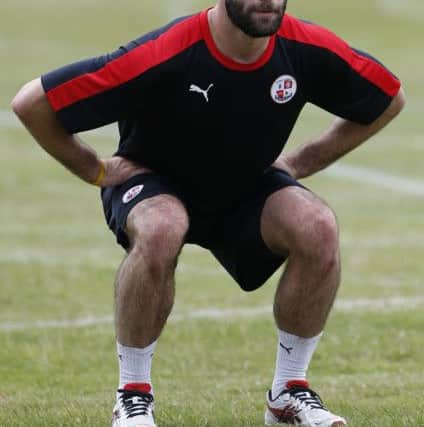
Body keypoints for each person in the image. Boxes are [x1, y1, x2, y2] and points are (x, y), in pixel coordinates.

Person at [12, 0, 404, 425]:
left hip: (243, 186)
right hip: (154, 183)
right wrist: (96, 169)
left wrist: (297, 163)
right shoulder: (164, 51)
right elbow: (32, 103)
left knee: (318, 225)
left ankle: (288, 390)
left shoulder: (304, 47)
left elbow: (388, 98)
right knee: (164, 227)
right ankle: (133, 395)